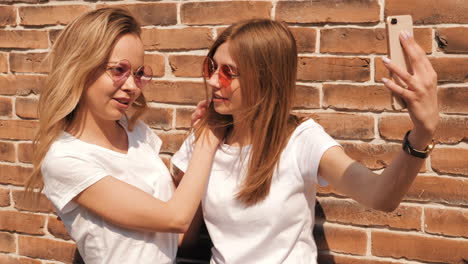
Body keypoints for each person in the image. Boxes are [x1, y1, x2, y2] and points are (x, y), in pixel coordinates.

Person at [171, 19, 439, 263]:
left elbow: (379, 196)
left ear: (264, 78)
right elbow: (183, 233)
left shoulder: (300, 140)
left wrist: (422, 134)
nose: (212, 80)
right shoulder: (205, 136)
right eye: (211, 66)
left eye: (229, 72)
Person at [25, 8, 222, 264]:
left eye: (138, 74)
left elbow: (182, 236)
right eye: (119, 70)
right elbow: (176, 217)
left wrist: (196, 143)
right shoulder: (66, 159)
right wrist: (209, 138)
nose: (131, 87)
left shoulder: (136, 132)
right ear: (80, 68)